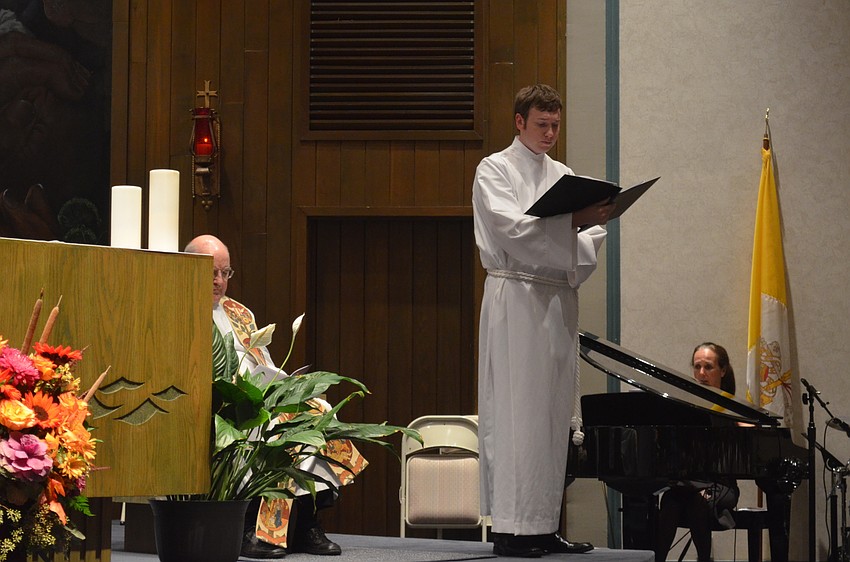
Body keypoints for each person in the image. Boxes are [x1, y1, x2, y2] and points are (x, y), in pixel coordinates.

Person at [472, 84, 613, 558]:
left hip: (556, 299)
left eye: (555, 125)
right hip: (516, 297)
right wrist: (572, 221)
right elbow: (511, 229)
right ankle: (512, 531)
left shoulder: (563, 175)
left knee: (552, 417)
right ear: (519, 122)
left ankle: (544, 525)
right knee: (518, 414)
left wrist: (591, 219)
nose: (550, 133)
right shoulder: (494, 168)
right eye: (541, 124)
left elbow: (588, 236)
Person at [185, 234, 367, 558]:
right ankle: (248, 529)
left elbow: (264, 362)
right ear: (188, 266)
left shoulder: (239, 312)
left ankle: (307, 523)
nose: (219, 281)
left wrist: (285, 386)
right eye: (212, 272)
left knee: (316, 414)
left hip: (259, 395)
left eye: (225, 273)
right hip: (217, 403)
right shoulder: (180, 309)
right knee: (268, 427)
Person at [654, 342, 741, 562]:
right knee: (669, 500)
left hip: (722, 484)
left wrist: (746, 426)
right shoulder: (685, 409)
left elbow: (751, 441)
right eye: (697, 367)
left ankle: (704, 559)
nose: (701, 373)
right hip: (689, 483)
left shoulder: (733, 408)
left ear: (722, 370)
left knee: (697, 501)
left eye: (708, 367)